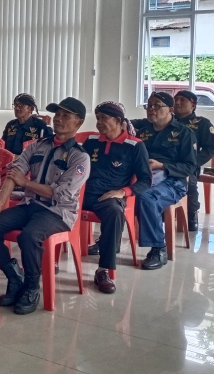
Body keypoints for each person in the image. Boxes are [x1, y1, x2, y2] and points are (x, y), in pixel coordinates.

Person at [0, 97, 90, 315]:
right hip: (30, 204)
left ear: (79, 122)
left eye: (66, 116)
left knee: (29, 236)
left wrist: (26, 183)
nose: (59, 119)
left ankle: (31, 287)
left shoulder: (80, 157)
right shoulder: (38, 145)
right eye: (57, 115)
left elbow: (62, 193)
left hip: (57, 212)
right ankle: (14, 277)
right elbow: (14, 172)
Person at [80, 102, 151, 294]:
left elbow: (145, 180)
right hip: (84, 194)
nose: (98, 123)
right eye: (97, 118)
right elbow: (78, 167)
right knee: (54, 202)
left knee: (114, 212)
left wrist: (123, 192)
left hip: (109, 196)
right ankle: (50, 259)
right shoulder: (91, 141)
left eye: (103, 118)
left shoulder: (135, 146)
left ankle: (104, 270)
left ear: (118, 120)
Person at [132, 90, 214, 230]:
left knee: (189, 180)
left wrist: (193, 162)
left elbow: (209, 149)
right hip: (150, 169)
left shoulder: (201, 124)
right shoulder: (153, 122)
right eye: (176, 99)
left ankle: (191, 214)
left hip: (182, 166)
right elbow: (133, 122)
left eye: (183, 100)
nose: (178, 102)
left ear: (193, 105)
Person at [134, 92, 196, 270]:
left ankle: (158, 249)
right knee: (115, 195)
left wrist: (162, 166)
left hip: (172, 181)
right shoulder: (143, 132)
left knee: (146, 197)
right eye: (149, 105)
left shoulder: (184, 133)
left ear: (170, 109)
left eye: (156, 105)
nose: (151, 109)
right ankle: (108, 242)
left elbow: (190, 166)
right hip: (144, 177)